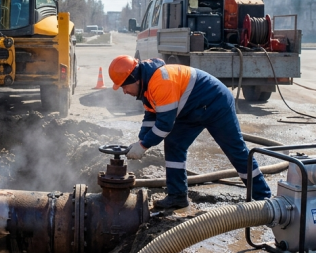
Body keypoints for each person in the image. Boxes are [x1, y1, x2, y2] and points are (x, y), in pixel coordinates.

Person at [108, 55, 271, 209]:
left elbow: (164, 125)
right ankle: (177, 196)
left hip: (215, 102)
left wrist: (143, 145)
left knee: (235, 150)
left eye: (124, 86)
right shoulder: (146, 86)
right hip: (191, 108)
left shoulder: (160, 81)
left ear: (134, 79)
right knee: (174, 144)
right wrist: (140, 141)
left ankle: (263, 197)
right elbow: (151, 116)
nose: (124, 91)